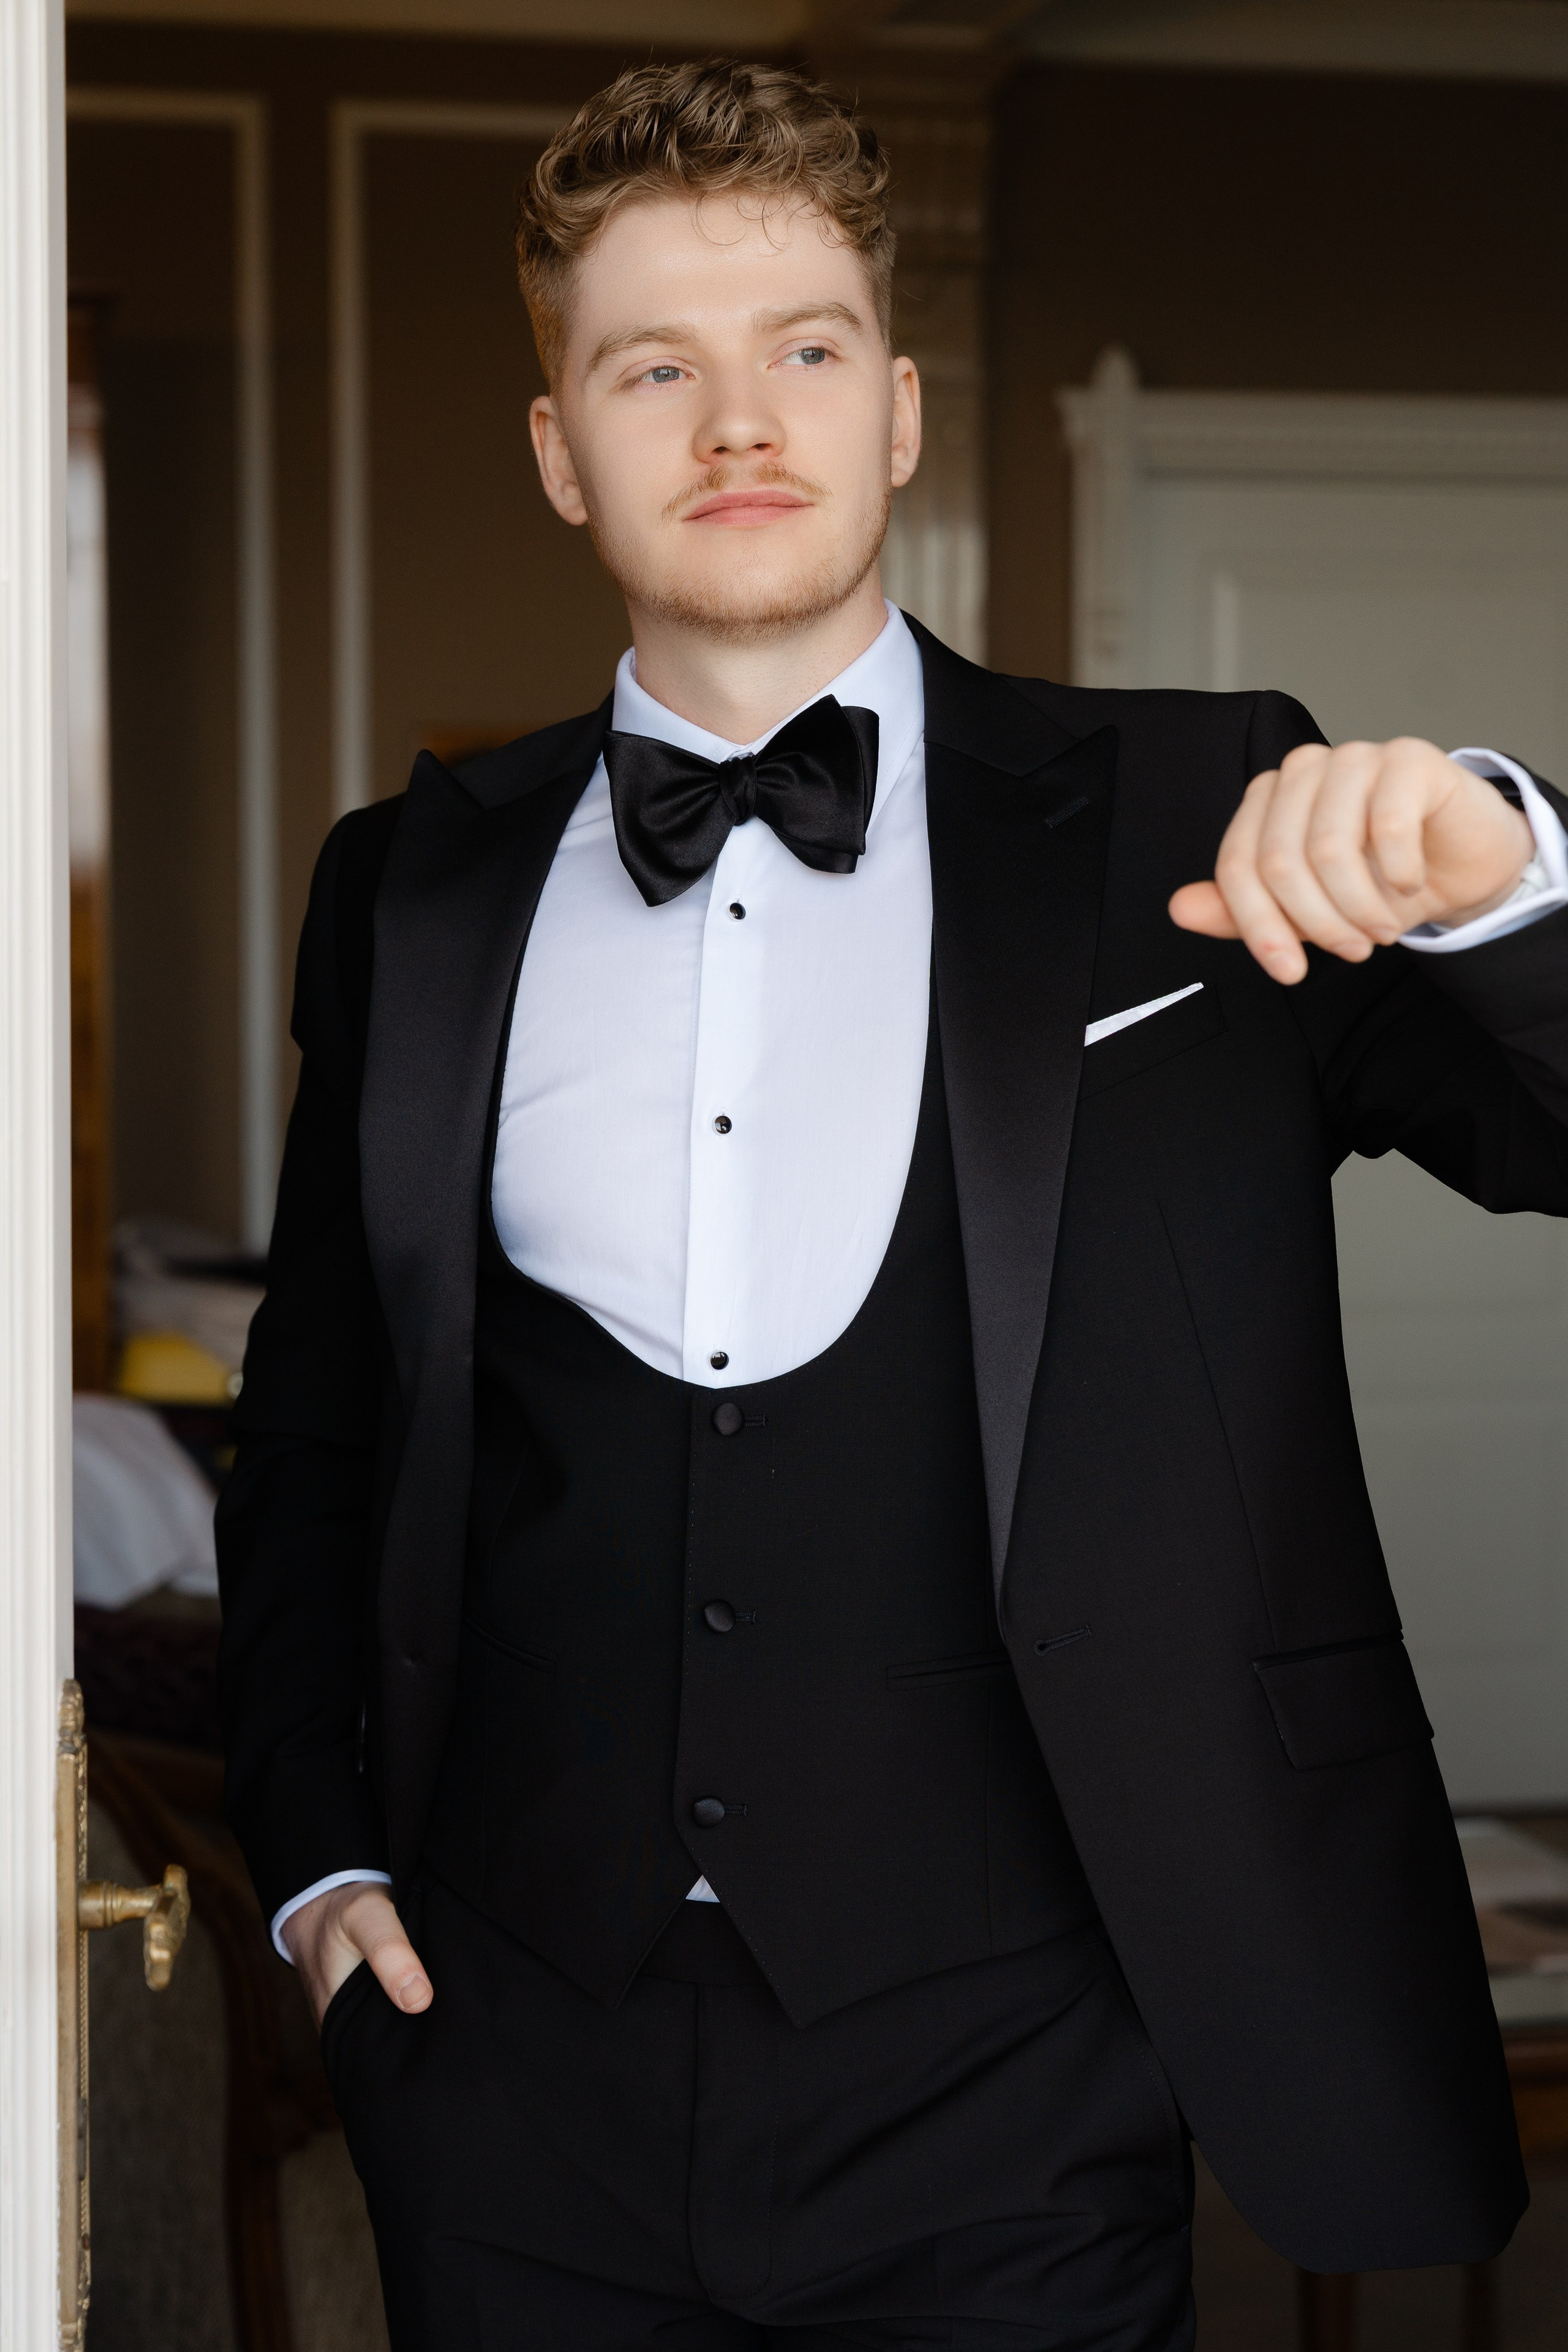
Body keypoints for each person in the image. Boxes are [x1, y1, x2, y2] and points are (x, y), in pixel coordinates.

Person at [217, 58, 1567, 2351]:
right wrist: (321, 1870)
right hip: (513, 2089)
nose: (738, 420)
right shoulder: (408, 887)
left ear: (902, 412)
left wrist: (1504, 875)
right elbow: (322, 1426)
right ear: (563, 446)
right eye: (656, 366)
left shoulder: (1209, 801)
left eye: (805, 351)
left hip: (1028, 2088)